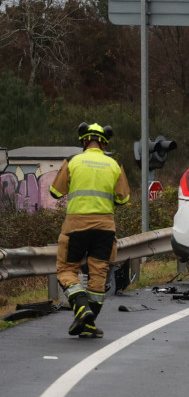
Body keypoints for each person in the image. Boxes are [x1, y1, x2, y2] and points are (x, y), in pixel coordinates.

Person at [50, 123, 131, 338]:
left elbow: (55, 192)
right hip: (105, 227)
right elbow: (123, 198)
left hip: (76, 225)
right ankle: (88, 324)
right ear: (104, 142)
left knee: (66, 270)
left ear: (84, 141)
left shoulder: (73, 161)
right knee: (98, 275)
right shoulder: (114, 164)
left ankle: (81, 306)